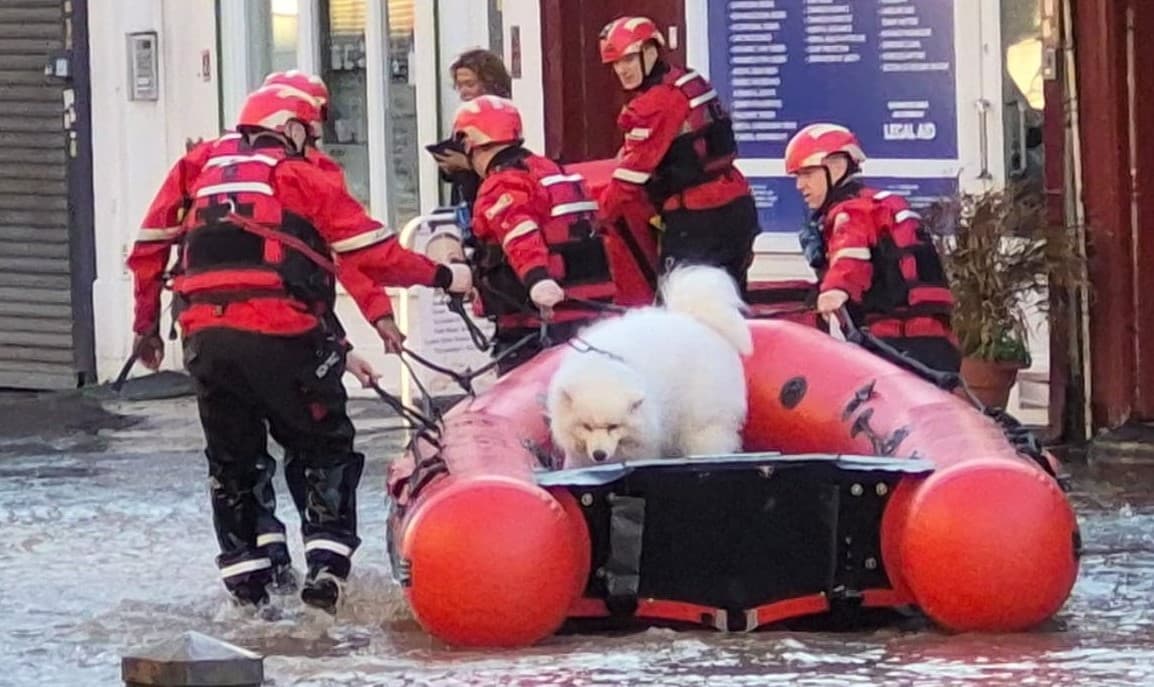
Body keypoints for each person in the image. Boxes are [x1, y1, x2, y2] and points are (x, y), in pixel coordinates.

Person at [127, 85, 472, 613]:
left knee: (232, 461)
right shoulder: (304, 175)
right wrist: (445, 275)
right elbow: (369, 252)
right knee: (322, 447)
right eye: (310, 130)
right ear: (292, 128)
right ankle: (327, 570)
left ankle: (250, 585)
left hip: (206, 341)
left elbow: (149, 248)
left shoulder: (199, 164)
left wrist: (146, 328)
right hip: (284, 336)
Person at [452, 95, 617, 374]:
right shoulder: (548, 170)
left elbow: (519, 234)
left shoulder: (501, 184)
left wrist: (537, 279)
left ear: (469, 144)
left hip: (535, 325)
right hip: (590, 315)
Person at [597, 15, 758, 295]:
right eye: (616, 64)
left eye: (628, 60)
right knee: (729, 308)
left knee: (678, 315)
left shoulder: (653, 104)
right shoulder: (688, 80)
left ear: (651, 52)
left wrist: (596, 219)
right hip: (738, 207)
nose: (622, 70)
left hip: (698, 220)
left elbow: (630, 178)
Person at [784, 123, 960, 372]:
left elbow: (851, 254)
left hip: (894, 343)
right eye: (797, 177)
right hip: (934, 343)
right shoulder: (882, 204)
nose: (799, 185)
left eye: (807, 174)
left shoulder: (853, 211)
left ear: (836, 167)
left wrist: (835, 290)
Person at [431, 49, 514, 208]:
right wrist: (448, 165)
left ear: (490, 82)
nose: (464, 92)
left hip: (493, 203)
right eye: (460, 86)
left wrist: (467, 164)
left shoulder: (505, 117)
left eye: (470, 84)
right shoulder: (466, 117)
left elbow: (509, 166)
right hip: (465, 200)